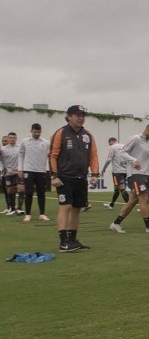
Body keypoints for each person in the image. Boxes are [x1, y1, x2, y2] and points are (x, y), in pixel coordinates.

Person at [48, 105, 100, 251]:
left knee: (77, 208)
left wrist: (95, 174)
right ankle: (63, 242)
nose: (81, 118)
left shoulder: (87, 135)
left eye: (83, 115)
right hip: (64, 177)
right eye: (77, 115)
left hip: (81, 177)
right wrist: (54, 175)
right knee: (66, 206)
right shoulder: (61, 133)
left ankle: (72, 240)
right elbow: (52, 155)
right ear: (69, 117)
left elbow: (93, 156)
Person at [108, 124, 149, 234]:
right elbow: (122, 152)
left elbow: (148, 160)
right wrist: (134, 160)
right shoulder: (135, 139)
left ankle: (116, 223)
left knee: (133, 200)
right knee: (144, 197)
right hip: (135, 174)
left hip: (145, 174)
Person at [18, 123, 51, 222]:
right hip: (28, 170)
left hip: (41, 171)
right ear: (31, 131)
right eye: (35, 132)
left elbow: (50, 156)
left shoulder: (46, 142)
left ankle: (42, 214)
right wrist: (20, 169)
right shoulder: (25, 141)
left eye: (38, 132)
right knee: (28, 192)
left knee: (41, 193)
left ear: (41, 131)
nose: (37, 133)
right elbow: (20, 155)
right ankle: (28, 214)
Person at [100, 137, 130, 209]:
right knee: (116, 189)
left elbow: (109, 159)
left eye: (110, 144)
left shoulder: (113, 147)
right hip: (125, 171)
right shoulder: (124, 146)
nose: (109, 146)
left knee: (122, 188)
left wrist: (103, 169)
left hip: (117, 172)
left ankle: (129, 205)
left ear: (112, 141)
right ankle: (111, 204)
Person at [2, 133, 24, 215]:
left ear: (16, 139)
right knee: (10, 190)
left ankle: (19, 209)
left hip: (18, 172)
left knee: (20, 188)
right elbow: (3, 162)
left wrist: (21, 169)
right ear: (8, 139)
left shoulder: (20, 148)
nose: (12, 139)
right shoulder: (3, 150)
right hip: (9, 173)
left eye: (14, 138)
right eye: (10, 138)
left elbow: (23, 158)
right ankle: (12, 208)